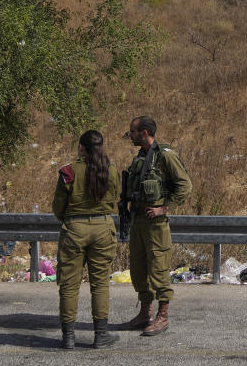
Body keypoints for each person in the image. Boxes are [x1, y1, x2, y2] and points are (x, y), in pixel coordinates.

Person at [122, 116, 193, 336]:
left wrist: (165, 208)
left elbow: (185, 185)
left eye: (133, 132)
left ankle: (163, 316)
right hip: (139, 221)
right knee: (138, 269)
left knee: (159, 269)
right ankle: (146, 313)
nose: (130, 135)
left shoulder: (164, 155)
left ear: (144, 133)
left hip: (156, 223)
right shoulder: (142, 157)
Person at [52, 130, 120, 350]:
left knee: (69, 286)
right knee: (99, 284)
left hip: (74, 229)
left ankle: (68, 338)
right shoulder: (111, 171)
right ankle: (100, 336)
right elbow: (113, 201)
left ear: (81, 147)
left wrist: (71, 220)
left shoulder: (69, 172)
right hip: (103, 228)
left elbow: (58, 207)